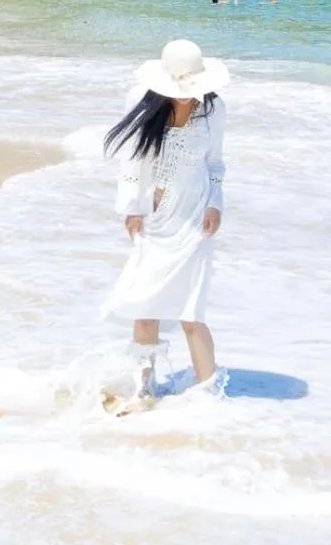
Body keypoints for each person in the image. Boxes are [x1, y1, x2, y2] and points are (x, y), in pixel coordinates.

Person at [100, 39, 230, 413]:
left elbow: (216, 165)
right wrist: (135, 208)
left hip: (196, 220)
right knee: (146, 306)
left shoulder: (215, 108)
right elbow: (132, 163)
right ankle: (144, 391)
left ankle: (210, 396)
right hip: (157, 220)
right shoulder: (143, 104)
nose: (189, 97)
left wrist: (215, 203)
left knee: (192, 310)